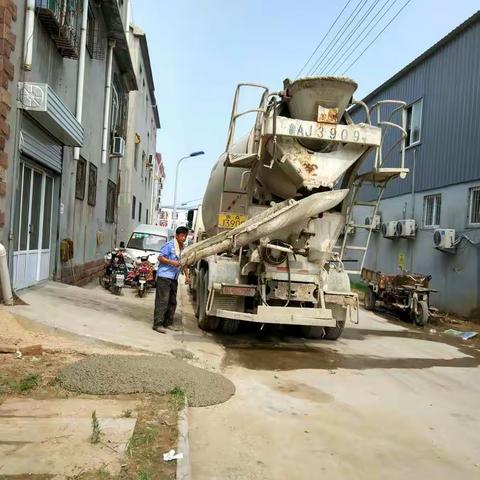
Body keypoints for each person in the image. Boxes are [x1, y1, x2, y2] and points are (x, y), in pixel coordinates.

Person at [153, 226, 190, 333]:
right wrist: (171, 262)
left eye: (185, 236)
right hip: (164, 277)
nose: (183, 238)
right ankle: (157, 324)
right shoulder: (169, 245)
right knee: (162, 301)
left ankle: (168, 323)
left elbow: (184, 263)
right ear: (177, 236)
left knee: (172, 301)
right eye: (182, 236)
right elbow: (160, 258)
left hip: (174, 278)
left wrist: (187, 276)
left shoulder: (183, 248)